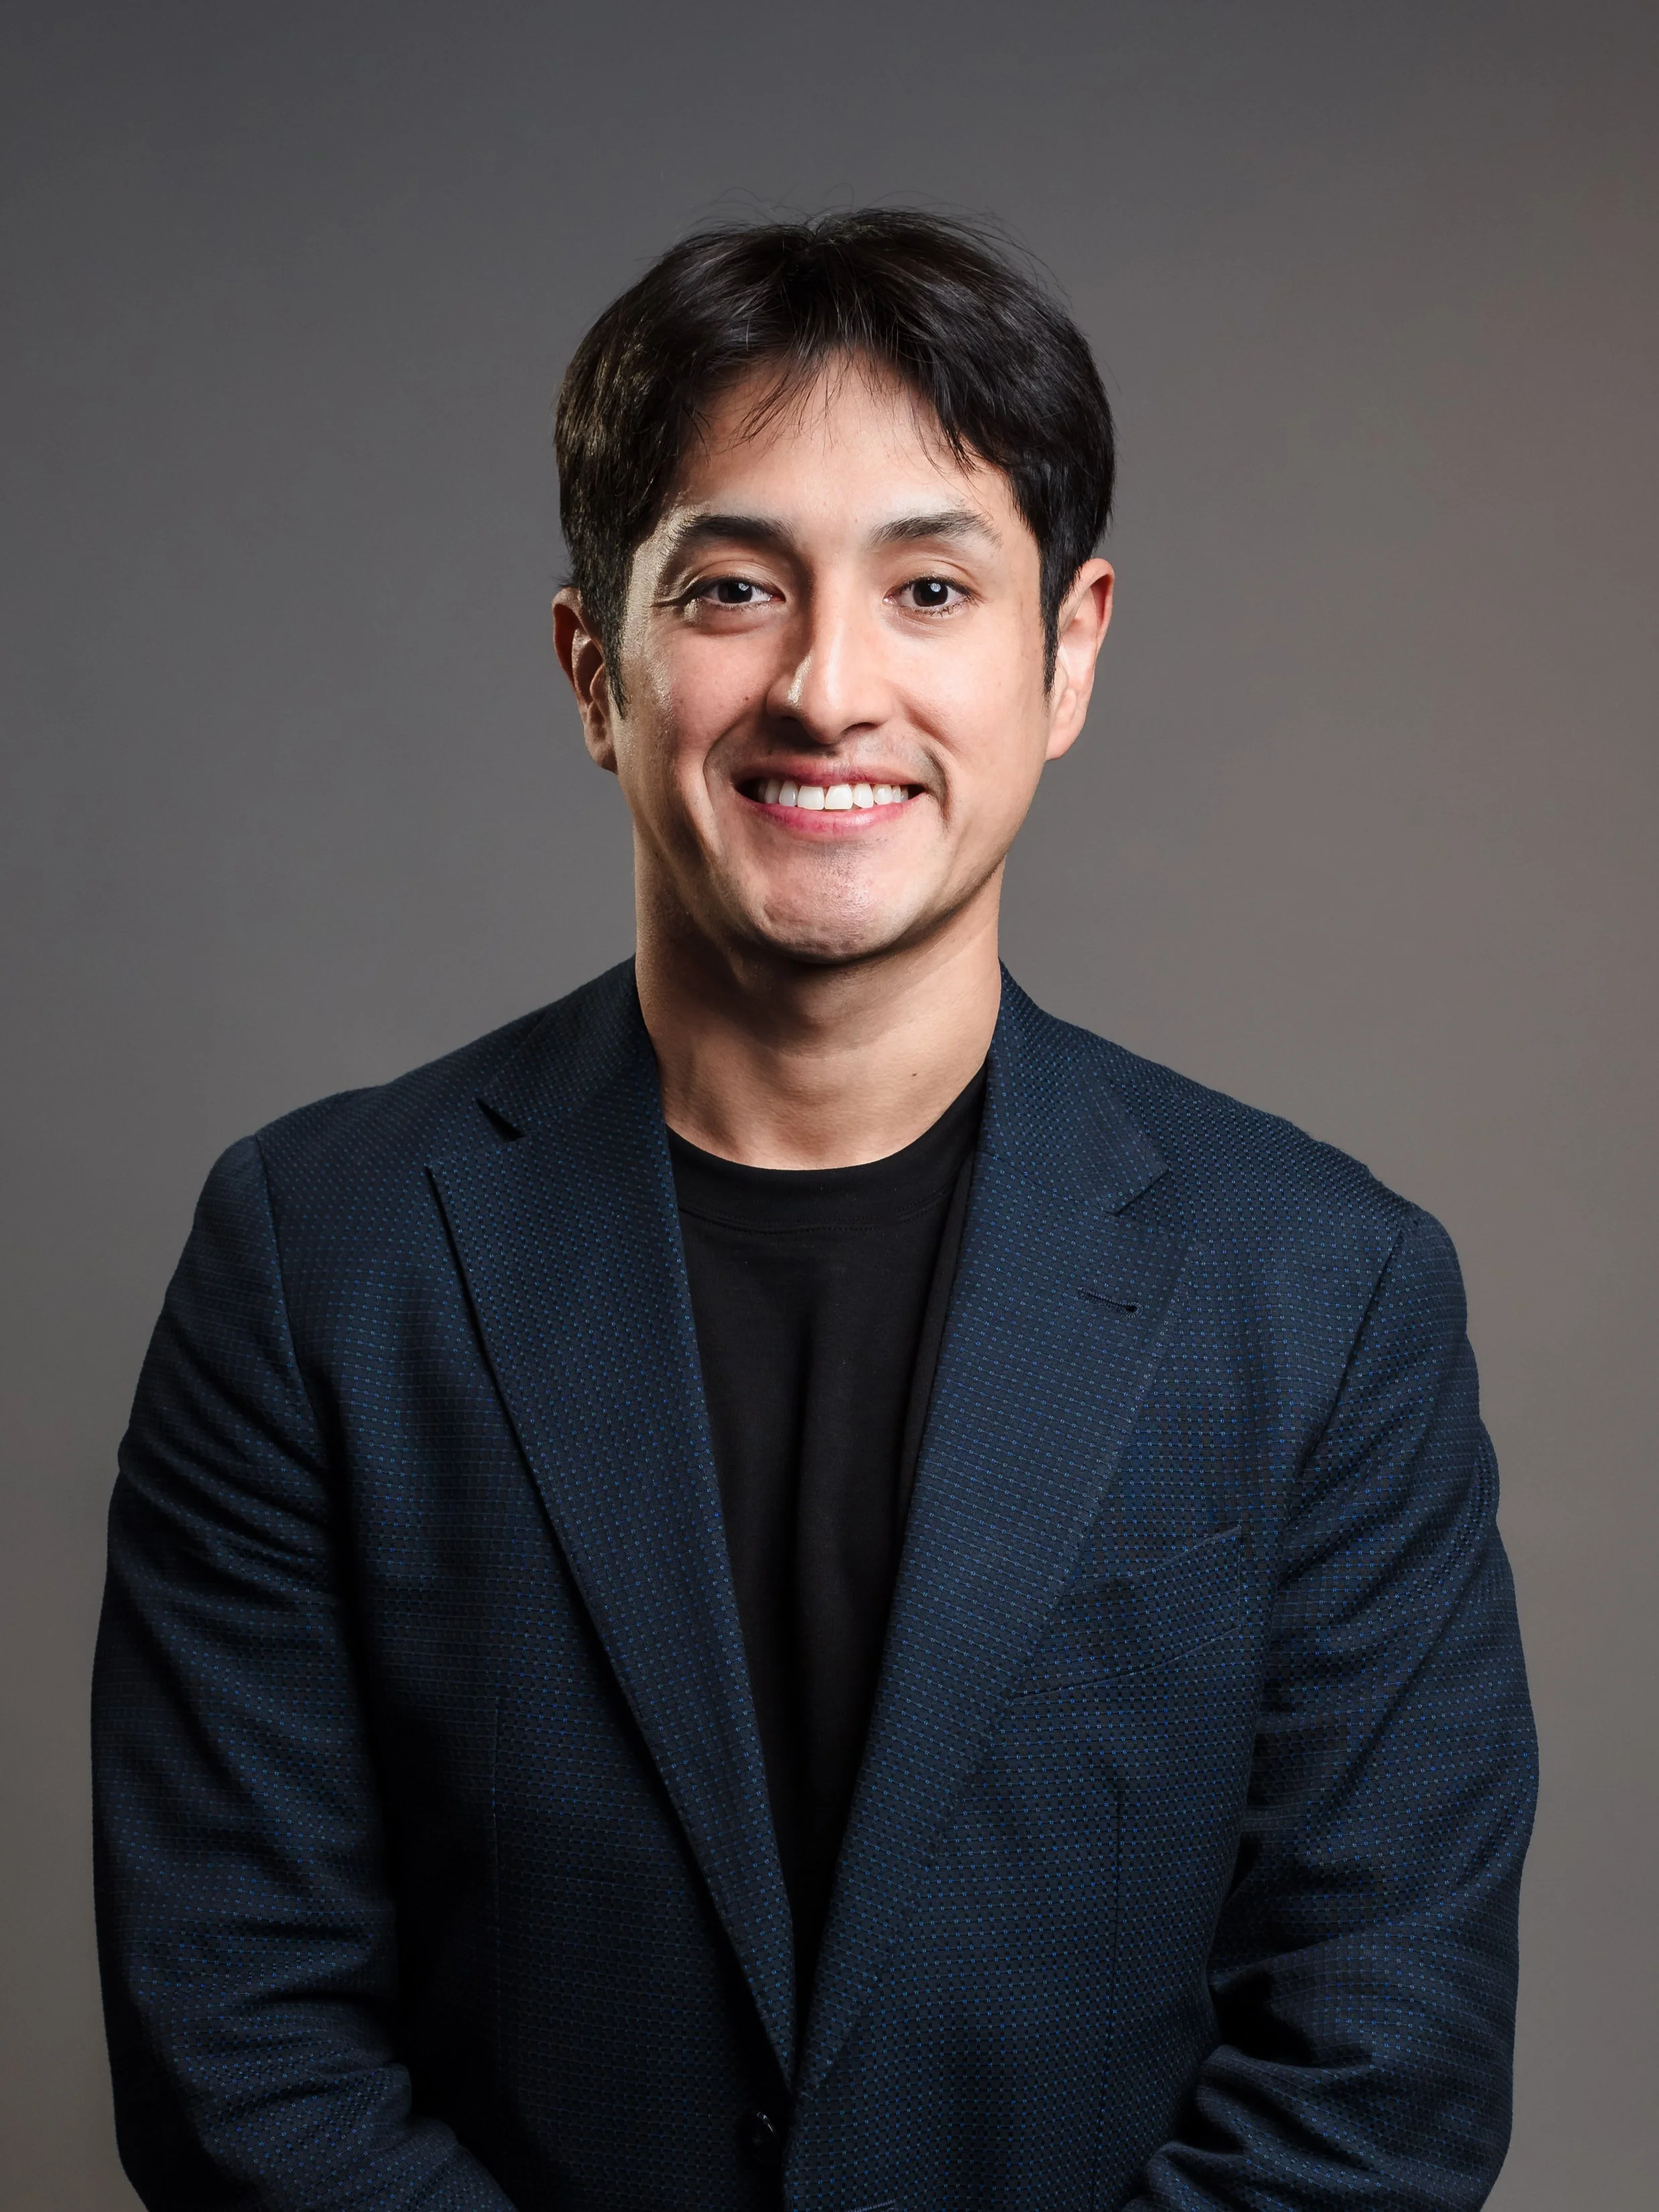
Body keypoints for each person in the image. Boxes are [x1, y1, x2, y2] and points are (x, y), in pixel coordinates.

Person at [93, 211, 1536, 2212]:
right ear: (595, 666)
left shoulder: (1329, 1295)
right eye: (736, 588)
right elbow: (238, 2046)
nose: (829, 688)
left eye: (930, 584)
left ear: (1071, 650)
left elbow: (1382, 2077)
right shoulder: (314, 1262)